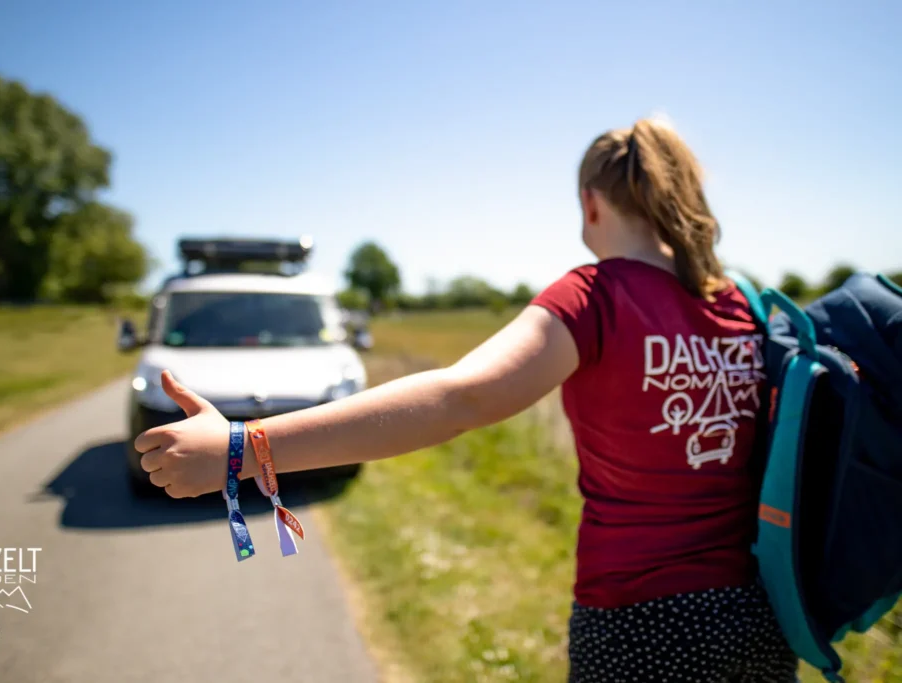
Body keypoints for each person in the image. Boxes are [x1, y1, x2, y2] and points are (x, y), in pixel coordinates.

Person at [135, 117, 799, 682]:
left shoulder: (594, 296)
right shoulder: (740, 303)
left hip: (637, 624)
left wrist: (243, 447)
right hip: (758, 621)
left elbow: (460, 397)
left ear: (590, 204)